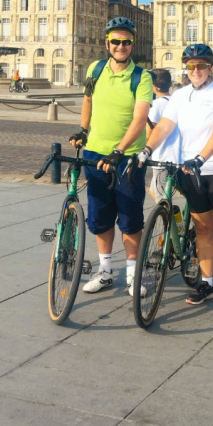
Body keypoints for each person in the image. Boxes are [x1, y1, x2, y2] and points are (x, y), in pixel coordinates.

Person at [138, 43, 213, 313]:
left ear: (210, 68)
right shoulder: (179, 95)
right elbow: (165, 125)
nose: (195, 70)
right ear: (185, 69)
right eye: (190, 66)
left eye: (201, 66)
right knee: (202, 228)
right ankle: (207, 282)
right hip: (188, 170)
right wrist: (146, 150)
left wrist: (201, 157)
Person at [69, 17, 152, 296]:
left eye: (126, 42)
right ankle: (105, 271)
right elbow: (88, 100)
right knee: (100, 216)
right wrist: (83, 130)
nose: (120, 46)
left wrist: (119, 151)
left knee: (129, 218)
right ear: (107, 43)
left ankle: (132, 274)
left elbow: (140, 118)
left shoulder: (143, 77)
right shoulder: (96, 67)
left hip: (127, 157)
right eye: (115, 41)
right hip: (95, 153)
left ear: (132, 44)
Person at [146, 69, 180, 201]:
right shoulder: (174, 101)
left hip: (162, 156)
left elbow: (150, 132)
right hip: (176, 155)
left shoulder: (156, 105)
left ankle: (174, 221)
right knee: (153, 191)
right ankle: (176, 217)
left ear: (154, 87)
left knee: (162, 200)